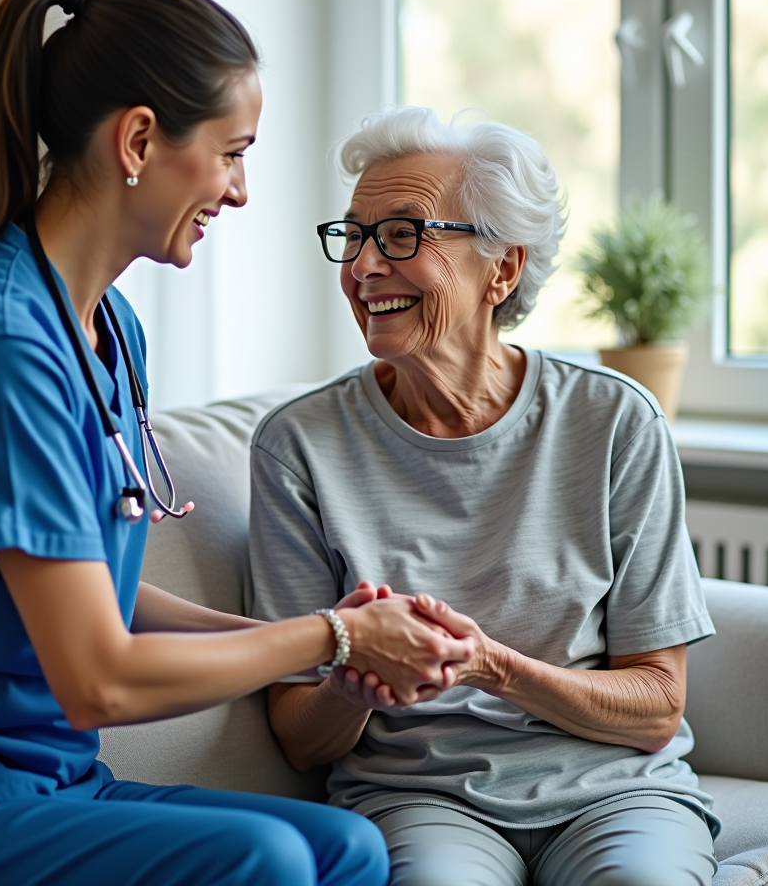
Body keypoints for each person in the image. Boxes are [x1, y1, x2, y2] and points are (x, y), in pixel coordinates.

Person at [0, 0, 477, 886]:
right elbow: (96, 677)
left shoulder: (108, 329)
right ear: (140, 140)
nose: (239, 191)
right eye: (232, 153)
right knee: (264, 858)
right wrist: (332, 642)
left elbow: (95, 591)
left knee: (344, 847)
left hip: (33, 775)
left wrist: (326, 633)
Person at [248, 107, 720, 886]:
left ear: (501, 269)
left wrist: (490, 666)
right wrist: (353, 673)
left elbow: (657, 705)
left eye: (402, 235)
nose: (364, 267)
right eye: (354, 236)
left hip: (614, 794)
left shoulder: (613, 421)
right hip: (417, 798)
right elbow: (301, 738)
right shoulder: (299, 446)